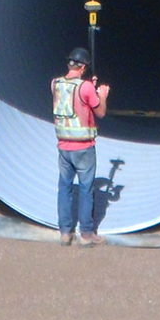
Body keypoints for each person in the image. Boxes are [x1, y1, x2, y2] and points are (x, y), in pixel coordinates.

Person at [53, 47, 110, 246]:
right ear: (84, 67)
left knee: (64, 188)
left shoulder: (55, 84)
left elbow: (75, 97)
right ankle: (86, 234)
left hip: (63, 147)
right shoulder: (85, 88)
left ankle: (65, 233)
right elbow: (100, 112)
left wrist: (89, 86)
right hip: (83, 148)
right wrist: (101, 94)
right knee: (86, 189)